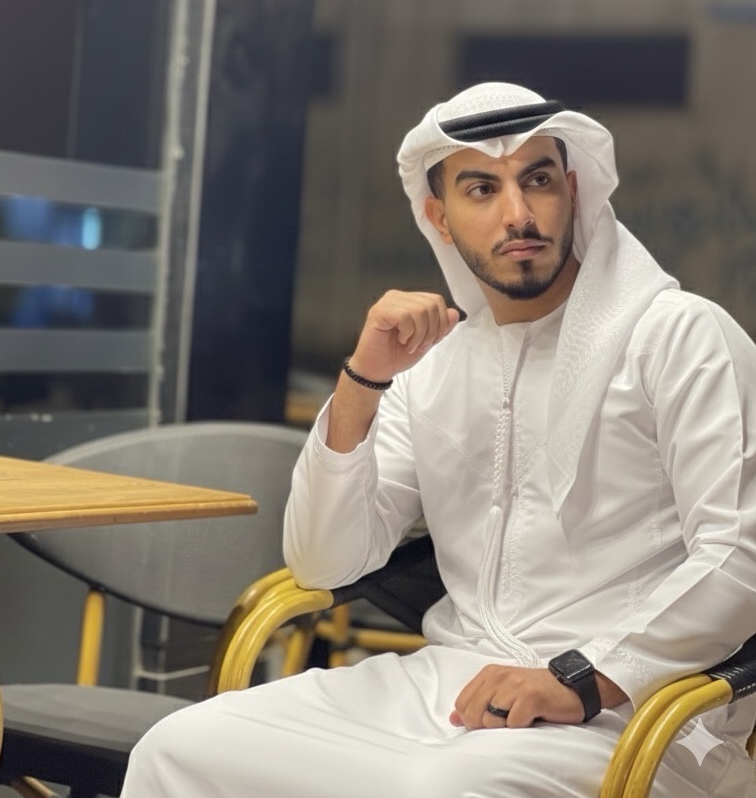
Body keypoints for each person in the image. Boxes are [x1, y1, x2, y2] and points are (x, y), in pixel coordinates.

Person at [121, 81, 756, 797]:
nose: (518, 214)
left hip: (639, 712)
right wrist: (364, 380)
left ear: (574, 191)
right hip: (449, 686)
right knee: (178, 748)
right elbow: (323, 560)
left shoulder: (679, 336)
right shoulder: (431, 367)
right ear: (440, 218)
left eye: (538, 181)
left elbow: (740, 553)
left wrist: (581, 677)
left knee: (435, 789)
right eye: (482, 189)